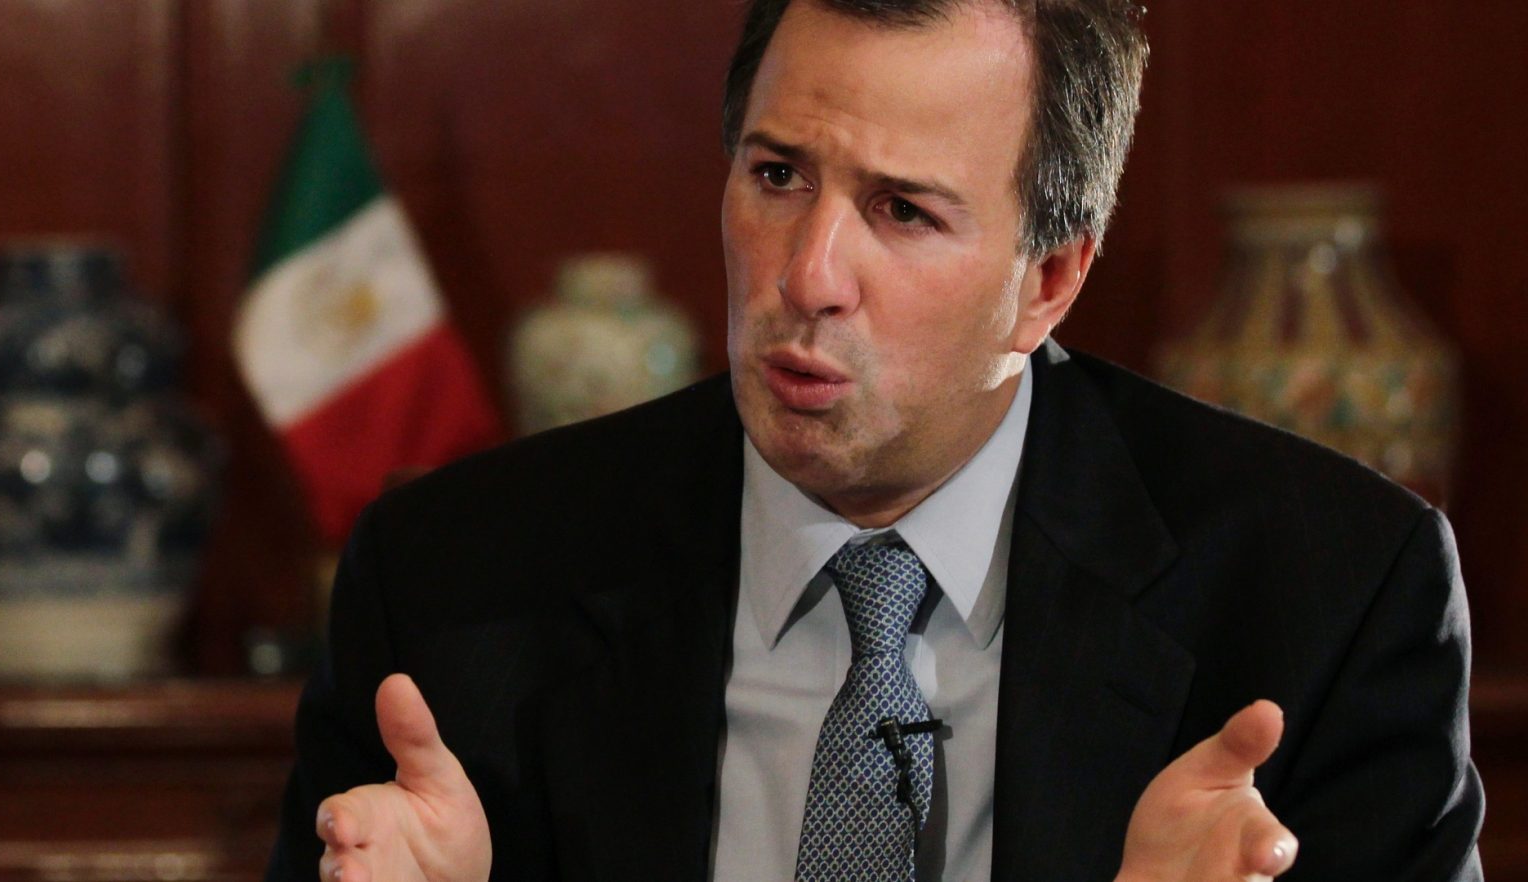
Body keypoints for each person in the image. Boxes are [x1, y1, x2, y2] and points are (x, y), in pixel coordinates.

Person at [267, 0, 1486, 879]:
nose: (808, 276)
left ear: (1047, 282)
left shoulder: (1325, 597)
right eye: (777, 176)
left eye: (902, 210)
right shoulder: (448, 583)